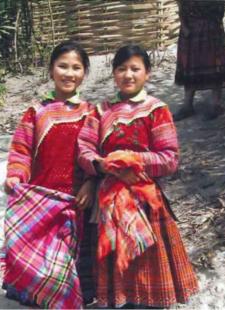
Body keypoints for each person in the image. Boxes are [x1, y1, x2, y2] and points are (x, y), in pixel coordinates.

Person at [77, 44, 199, 308]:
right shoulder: (100, 112)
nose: (128, 75)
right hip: (109, 201)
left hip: (145, 201)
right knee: (117, 269)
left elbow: (169, 159)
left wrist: (129, 161)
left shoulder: (156, 109)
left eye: (135, 69)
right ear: (113, 74)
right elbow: (84, 149)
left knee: (147, 266)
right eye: (121, 69)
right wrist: (103, 165)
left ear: (148, 74)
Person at [1, 40, 96, 308]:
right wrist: (16, 176)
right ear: (51, 70)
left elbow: (98, 156)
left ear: (84, 73)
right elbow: (21, 151)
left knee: (74, 265)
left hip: (78, 202)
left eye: (76, 67)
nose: (69, 73)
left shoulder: (91, 113)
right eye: (62, 66)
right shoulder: (36, 112)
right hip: (42, 204)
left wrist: (90, 183)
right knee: (44, 262)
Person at [174, 0, 225, 121]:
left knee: (214, 65)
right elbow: (181, 6)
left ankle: (215, 105)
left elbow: (220, 9)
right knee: (190, 67)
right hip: (190, 30)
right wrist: (184, 26)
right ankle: (187, 105)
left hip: (211, 28)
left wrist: (214, 24)